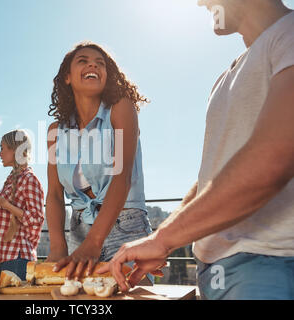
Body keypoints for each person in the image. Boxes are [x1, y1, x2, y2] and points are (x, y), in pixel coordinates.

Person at [98, 0, 294, 300]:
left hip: (271, 264)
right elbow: (212, 178)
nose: (200, 1)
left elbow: (274, 157)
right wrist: (162, 239)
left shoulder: (288, 34)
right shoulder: (225, 77)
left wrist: (164, 239)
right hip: (214, 270)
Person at [45, 41, 157, 282]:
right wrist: (57, 246)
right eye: (83, 61)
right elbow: (54, 193)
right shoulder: (55, 131)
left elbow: (122, 176)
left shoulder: (121, 109)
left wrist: (94, 243)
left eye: (100, 63)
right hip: (79, 233)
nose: (93, 64)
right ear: (67, 77)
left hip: (126, 230)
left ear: (107, 75)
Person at [0, 130, 45, 281]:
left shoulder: (29, 179)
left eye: (2, 148)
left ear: (15, 150)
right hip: (4, 255)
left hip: (18, 258)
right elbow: (16, 216)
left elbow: (36, 219)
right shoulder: (12, 179)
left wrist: (5, 205)